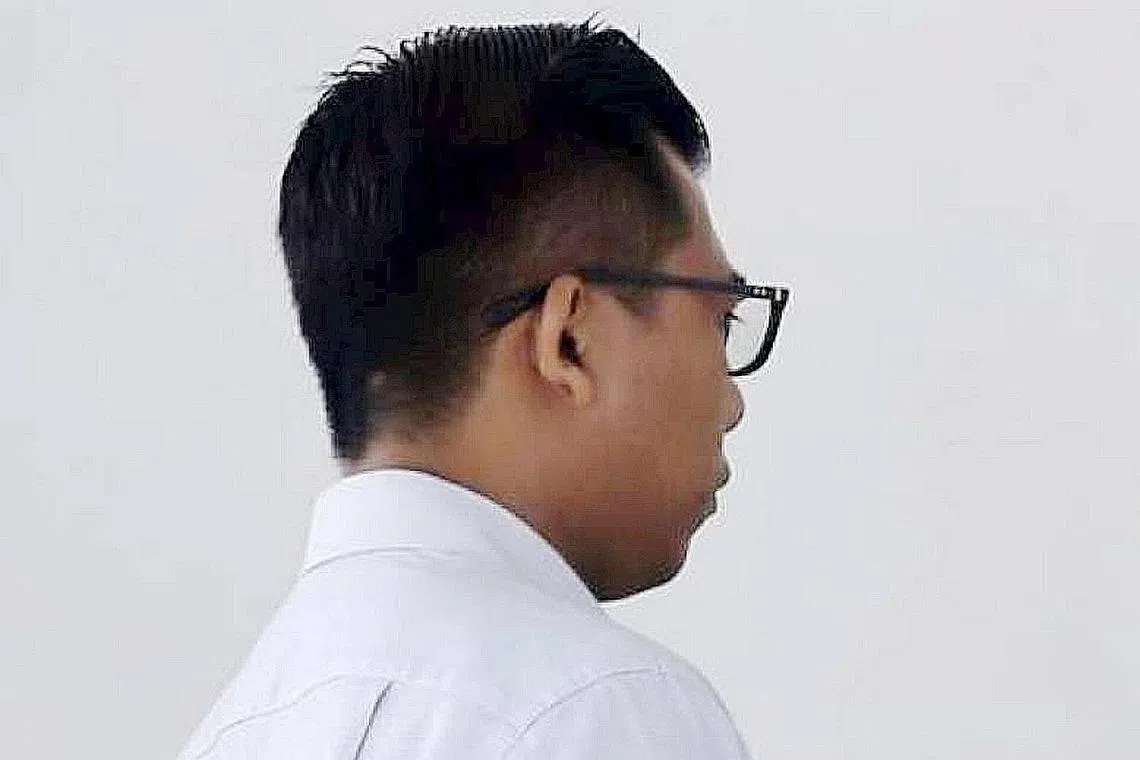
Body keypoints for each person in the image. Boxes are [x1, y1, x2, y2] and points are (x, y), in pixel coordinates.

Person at [178, 18, 789, 759]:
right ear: (569, 339)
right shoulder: (600, 707)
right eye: (720, 320)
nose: (732, 402)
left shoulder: (236, 730)